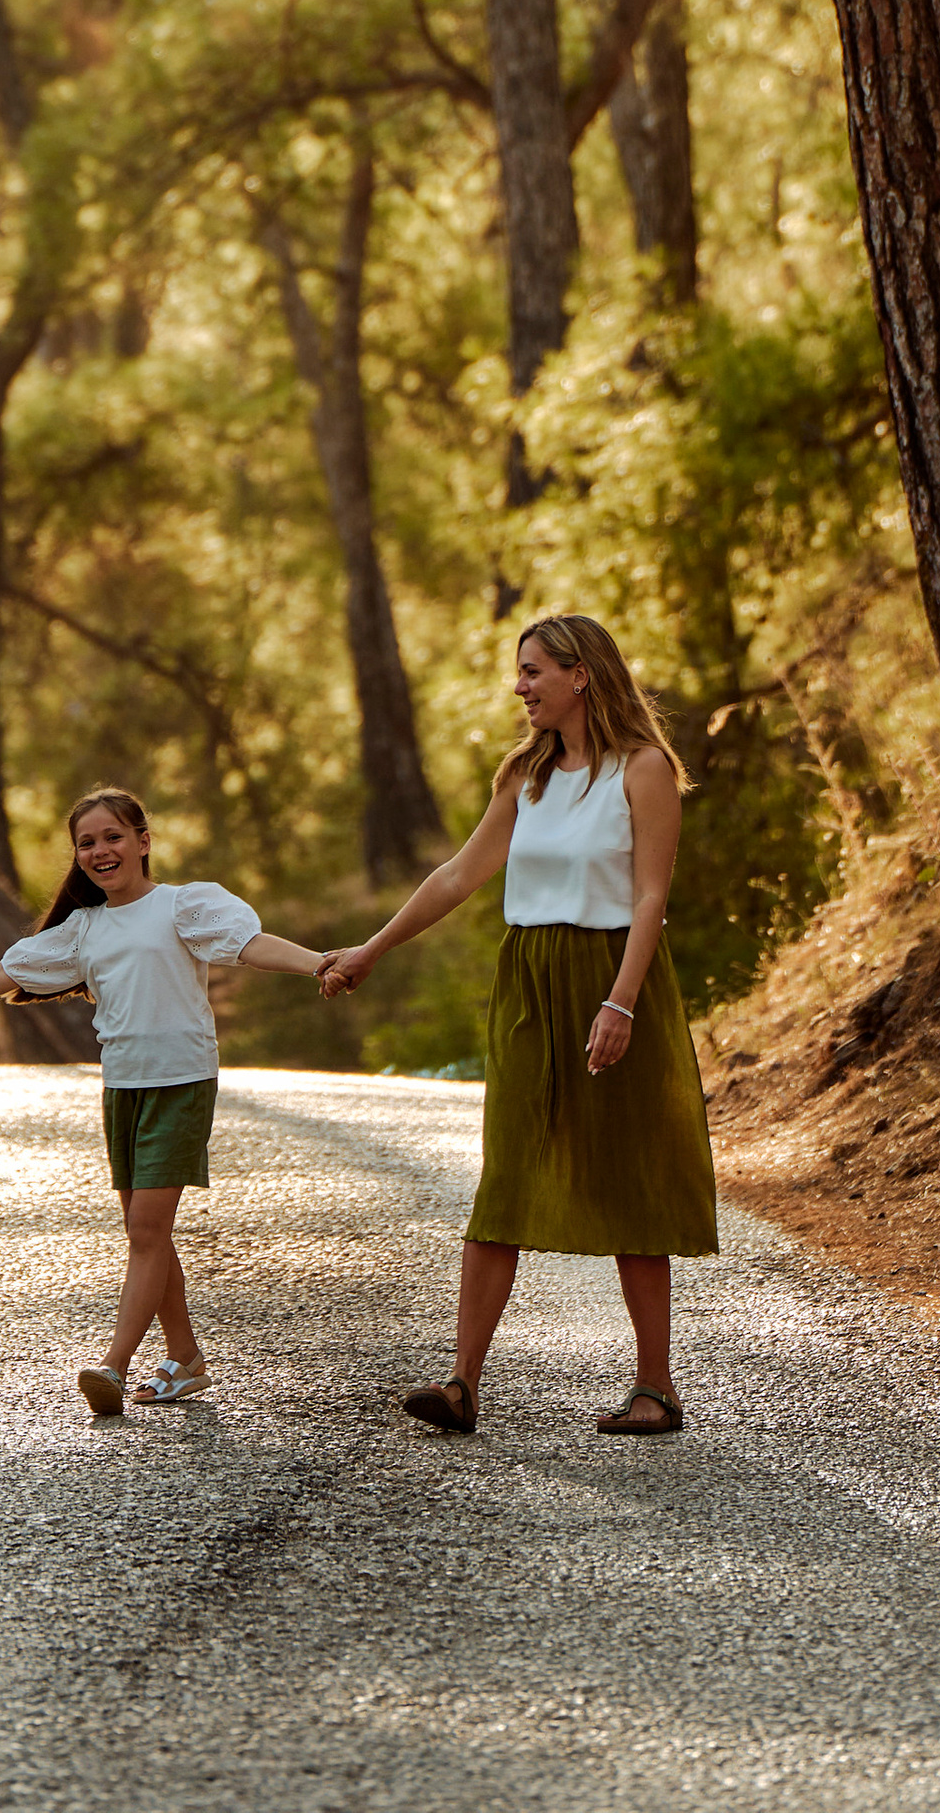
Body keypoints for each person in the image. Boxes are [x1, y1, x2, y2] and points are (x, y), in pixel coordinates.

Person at [319, 611, 717, 1437]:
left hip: (612, 975)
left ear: (582, 675)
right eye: (520, 671)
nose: (520, 686)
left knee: (627, 1174)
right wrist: (375, 946)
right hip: (529, 981)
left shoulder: (642, 769)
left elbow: (650, 897)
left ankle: (656, 1387)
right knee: (507, 1174)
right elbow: (461, 873)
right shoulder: (525, 775)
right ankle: (462, 1384)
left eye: (533, 670)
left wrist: (622, 1002)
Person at [0, 784, 325, 1416]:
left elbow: (249, 944)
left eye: (113, 837)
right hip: (122, 1086)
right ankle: (185, 1359)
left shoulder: (185, 906)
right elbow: (5, 972)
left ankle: (113, 1367)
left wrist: (320, 963)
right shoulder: (83, 929)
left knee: (147, 1229)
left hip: (180, 1082)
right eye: (87, 843)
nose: (101, 851)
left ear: (144, 842)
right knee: (145, 1231)